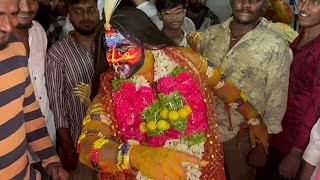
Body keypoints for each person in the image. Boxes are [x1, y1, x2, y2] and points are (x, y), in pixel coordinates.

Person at [75, 5, 269, 179]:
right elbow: (87, 146)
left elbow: (221, 84)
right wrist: (136, 156)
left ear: (145, 41)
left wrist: (254, 118)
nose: (114, 59)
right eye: (109, 50)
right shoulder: (110, 94)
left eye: (123, 48)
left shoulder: (186, 61)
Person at [187, 0, 293, 179]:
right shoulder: (211, 35)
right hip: (203, 130)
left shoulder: (275, 46)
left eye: (255, 0)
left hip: (243, 137)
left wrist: (262, 146)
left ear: (265, 4)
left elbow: (277, 99)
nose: (246, 4)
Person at [0, 0, 68, 179]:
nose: (7, 26)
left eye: (12, 14)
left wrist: (50, 159)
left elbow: (29, 110)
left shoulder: (15, 48)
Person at [261, 0, 320, 179]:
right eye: (302, 0)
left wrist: (296, 152)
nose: (303, 8)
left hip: (296, 143)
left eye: (315, 3)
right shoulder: (301, 35)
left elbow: (316, 106)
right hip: (280, 131)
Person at [45, 0, 99, 174]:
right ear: (69, 15)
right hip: (80, 145)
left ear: (99, 13)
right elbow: (58, 107)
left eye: (91, 10)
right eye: (78, 11)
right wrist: (67, 148)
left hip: (115, 141)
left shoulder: (112, 45)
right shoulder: (57, 54)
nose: (85, 17)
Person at [12, 0, 57, 177]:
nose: (26, 7)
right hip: (14, 154)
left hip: (47, 140)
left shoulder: (38, 31)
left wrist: (51, 156)